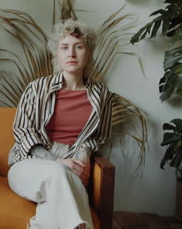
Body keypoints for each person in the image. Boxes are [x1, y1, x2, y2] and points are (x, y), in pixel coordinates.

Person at [7, 19, 114, 229]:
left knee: (49, 216)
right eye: (64, 47)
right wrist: (56, 161)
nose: (71, 54)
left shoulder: (102, 95)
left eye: (79, 47)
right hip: (28, 162)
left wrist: (84, 154)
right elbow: (22, 131)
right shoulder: (37, 88)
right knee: (59, 173)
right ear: (57, 54)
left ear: (89, 52)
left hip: (74, 164)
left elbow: (99, 137)